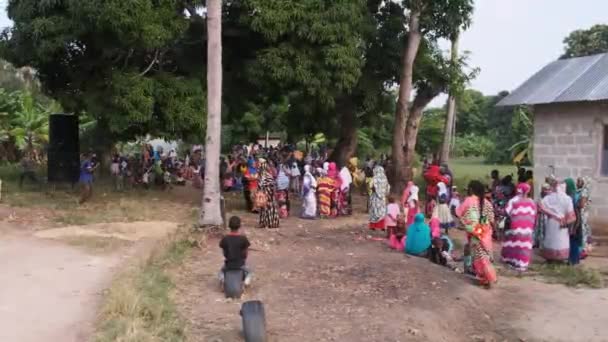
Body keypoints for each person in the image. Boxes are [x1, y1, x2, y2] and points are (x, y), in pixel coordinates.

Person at [456, 180, 497, 288]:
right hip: (485, 232)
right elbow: (492, 220)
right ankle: (487, 277)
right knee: (485, 254)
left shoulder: (469, 200)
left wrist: (465, 223)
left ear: (471, 189)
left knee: (479, 255)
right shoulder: (487, 203)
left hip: (475, 232)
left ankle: (486, 277)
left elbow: (458, 213)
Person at [501, 183, 537, 271]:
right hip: (528, 228)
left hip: (516, 226)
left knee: (514, 243)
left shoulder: (513, 200)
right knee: (525, 246)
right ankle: (522, 264)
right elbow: (535, 214)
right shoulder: (532, 202)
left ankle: (512, 261)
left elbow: (506, 212)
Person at [539, 179, 576, 263]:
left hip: (551, 221)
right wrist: (566, 221)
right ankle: (561, 258)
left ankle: (550, 258)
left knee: (550, 238)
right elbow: (571, 214)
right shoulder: (567, 199)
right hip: (562, 222)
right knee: (561, 239)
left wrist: (550, 213)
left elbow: (540, 206)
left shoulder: (548, 198)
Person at [218, 216, 252, 286]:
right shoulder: (243, 238)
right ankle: (246, 282)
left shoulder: (225, 238)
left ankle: (222, 280)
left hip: (228, 265)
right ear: (239, 226)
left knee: (221, 272)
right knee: (249, 272)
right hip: (240, 264)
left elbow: (224, 253)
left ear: (229, 226)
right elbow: (245, 253)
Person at [257, 160, 280, 228]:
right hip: (267, 194)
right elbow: (272, 186)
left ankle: (266, 223)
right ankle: (268, 223)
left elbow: (262, 186)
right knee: (267, 209)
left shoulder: (263, 175)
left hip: (265, 194)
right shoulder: (265, 175)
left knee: (266, 209)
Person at [565, 178, 582, 265]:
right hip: (573, 223)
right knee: (571, 242)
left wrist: (574, 227)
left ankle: (573, 261)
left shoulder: (573, 197)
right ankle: (572, 260)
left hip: (575, 223)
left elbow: (577, 214)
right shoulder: (570, 196)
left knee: (573, 241)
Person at [368, 165, 390, 230]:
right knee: (382, 211)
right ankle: (382, 226)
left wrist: (375, 190)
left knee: (374, 211)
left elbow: (371, 186)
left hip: (375, 197)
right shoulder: (385, 178)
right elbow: (388, 188)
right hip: (382, 198)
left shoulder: (374, 178)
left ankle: (373, 226)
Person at [577, 177, 593, 258]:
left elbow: (582, 204)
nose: (577, 183)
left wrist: (575, 205)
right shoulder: (584, 191)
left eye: (579, 181)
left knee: (582, 231)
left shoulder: (584, 191)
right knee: (584, 231)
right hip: (583, 214)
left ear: (583, 183)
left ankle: (583, 251)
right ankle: (584, 249)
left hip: (581, 214)